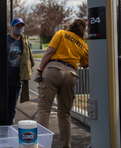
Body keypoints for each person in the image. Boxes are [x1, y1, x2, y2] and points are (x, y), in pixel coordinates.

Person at [36, 18, 88, 148]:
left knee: (44, 110)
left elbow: (49, 51)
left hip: (54, 69)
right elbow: (85, 64)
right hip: (71, 74)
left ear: (71, 26)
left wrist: (39, 70)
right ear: (83, 31)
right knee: (65, 114)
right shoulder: (83, 44)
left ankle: (42, 145)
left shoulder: (61, 34)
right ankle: (65, 146)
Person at [0, 18, 34, 125]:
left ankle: (8, 131)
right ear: (11, 27)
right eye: (17, 26)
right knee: (0, 110)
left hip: (16, 82)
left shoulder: (24, 42)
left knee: (12, 110)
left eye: (21, 27)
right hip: (2, 82)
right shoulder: (4, 40)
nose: (20, 29)